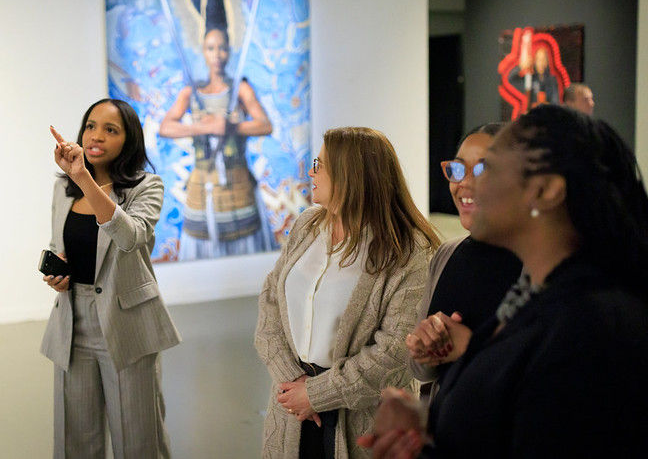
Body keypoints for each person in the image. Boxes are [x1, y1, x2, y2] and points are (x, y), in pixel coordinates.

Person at [360, 105, 648, 458]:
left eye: (487, 168)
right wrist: (428, 426)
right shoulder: (537, 296)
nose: (467, 184)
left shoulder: (589, 324)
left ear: (545, 191)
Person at [255, 126, 440, 458]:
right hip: (291, 405)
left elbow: (395, 351)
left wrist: (316, 394)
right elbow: (271, 300)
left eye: (320, 164)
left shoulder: (408, 250)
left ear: (351, 175)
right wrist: (291, 384)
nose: (311, 172)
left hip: (363, 417)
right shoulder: (306, 225)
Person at [41, 98, 181, 458]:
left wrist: (84, 177)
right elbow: (61, 245)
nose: (95, 135)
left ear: (128, 140)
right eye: (90, 126)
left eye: (110, 129)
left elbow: (131, 236)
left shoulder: (146, 187)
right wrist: (59, 273)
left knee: (138, 441)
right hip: (73, 322)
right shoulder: (63, 189)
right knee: (75, 443)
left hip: (127, 323)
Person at [159, 0, 273, 260]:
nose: (217, 54)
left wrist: (230, 126)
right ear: (204, 51)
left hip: (238, 189)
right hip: (202, 187)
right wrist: (201, 128)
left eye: (222, 48)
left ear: (229, 50)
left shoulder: (241, 88)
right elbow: (166, 127)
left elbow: (264, 125)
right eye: (211, 48)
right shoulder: (191, 91)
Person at [405, 123, 521, 403]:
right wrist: (424, 349)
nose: (465, 183)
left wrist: (468, 345)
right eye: (458, 170)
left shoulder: (536, 264)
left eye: (483, 170)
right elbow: (421, 373)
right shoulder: (447, 255)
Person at [507, 31, 560, 109]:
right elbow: (511, 79)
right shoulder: (530, 79)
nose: (541, 63)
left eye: (543, 59)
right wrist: (521, 67)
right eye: (539, 60)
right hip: (532, 116)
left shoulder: (552, 80)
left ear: (547, 62)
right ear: (535, 61)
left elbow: (555, 102)